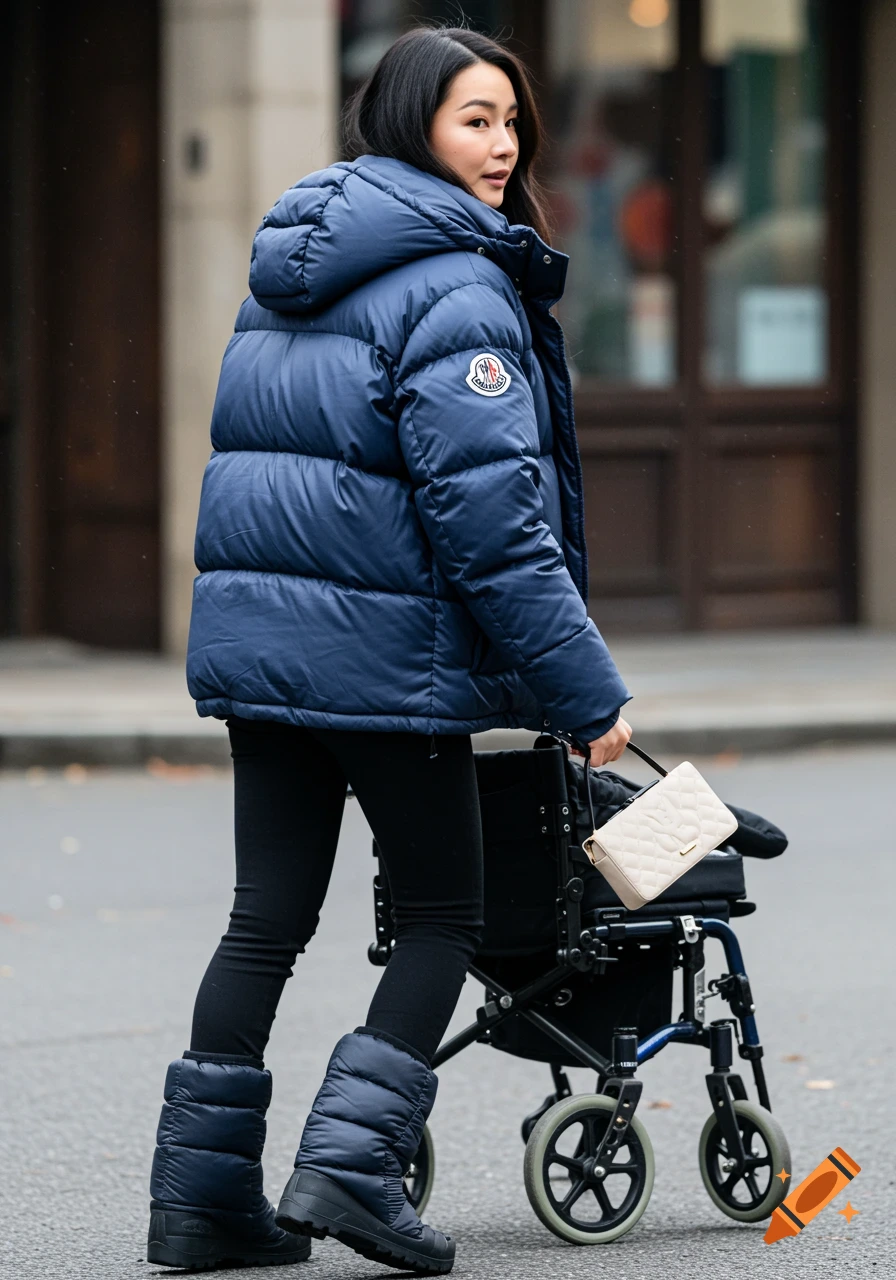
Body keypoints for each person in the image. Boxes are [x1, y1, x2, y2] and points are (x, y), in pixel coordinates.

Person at [146, 23, 632, 1276]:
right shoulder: (457, 283)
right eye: (476, 119)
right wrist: (585, 692)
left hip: (270, 651)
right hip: (386, 658)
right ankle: (353, 1170)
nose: (504, 144)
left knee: (266, 917)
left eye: (512, 120)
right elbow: (493, 527)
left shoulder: (289, 265)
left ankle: (201, 1206)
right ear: (410, 120)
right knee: (443, 914)